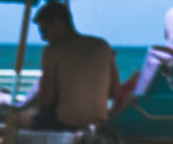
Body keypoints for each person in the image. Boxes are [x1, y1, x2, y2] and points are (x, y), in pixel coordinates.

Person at [26, 2, 120, 132]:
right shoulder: (102, 46)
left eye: (44, 30)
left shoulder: (52, 51)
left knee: (15, 119)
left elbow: (46, 100)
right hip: (99, 123)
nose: (43, 37)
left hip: (65, 124)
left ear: (59, 24)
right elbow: (115, 93)